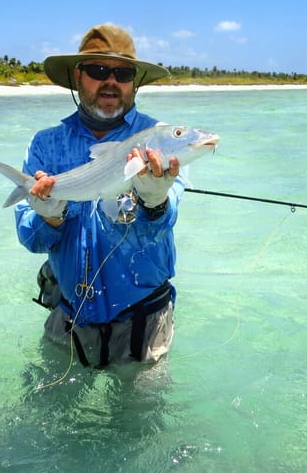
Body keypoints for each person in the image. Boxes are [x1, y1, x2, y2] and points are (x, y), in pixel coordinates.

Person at [14, 23, 184, 368]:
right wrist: (49, 214)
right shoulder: (45, 144)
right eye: (98, 70)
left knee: (141, 422)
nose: (111, 81)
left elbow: (166, 221)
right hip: (68, 320)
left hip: (145, 325)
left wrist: (156, 200)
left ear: (135, 82)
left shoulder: (158, 138)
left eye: (123, 73)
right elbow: (30, 239)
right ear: (78, 76)